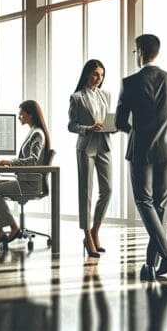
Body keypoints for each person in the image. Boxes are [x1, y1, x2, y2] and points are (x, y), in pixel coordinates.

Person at [116, 34, 167, 280]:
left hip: (141, 150)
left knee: (143, 200)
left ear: (139, 51)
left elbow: (119, 121)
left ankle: (166, 254)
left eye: (135, 51)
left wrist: (136, 132)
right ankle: (151, 264)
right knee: (160, 205)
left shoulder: (129, 83)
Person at [0, 100, 52, 249]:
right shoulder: (34, 131)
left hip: (30, 185)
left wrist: (10, 162)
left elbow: (33, 160)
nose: (19, 117)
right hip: (25, 181)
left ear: (30, 115)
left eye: (21, 114)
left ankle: (12, 227)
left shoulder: (37, 133)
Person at [68, 59, 114, 258]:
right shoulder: (77, 97)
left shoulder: (106, 95)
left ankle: (95, 230)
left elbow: (108, 119)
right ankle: (87, 235)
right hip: (86, 147)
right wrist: (88, 128)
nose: (98, 78)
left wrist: (113, 126)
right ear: (87, 74)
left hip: (104, 145)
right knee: (85, 192)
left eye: (101, 75)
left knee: (108, 190)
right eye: (95, 74)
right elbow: (71, 125)